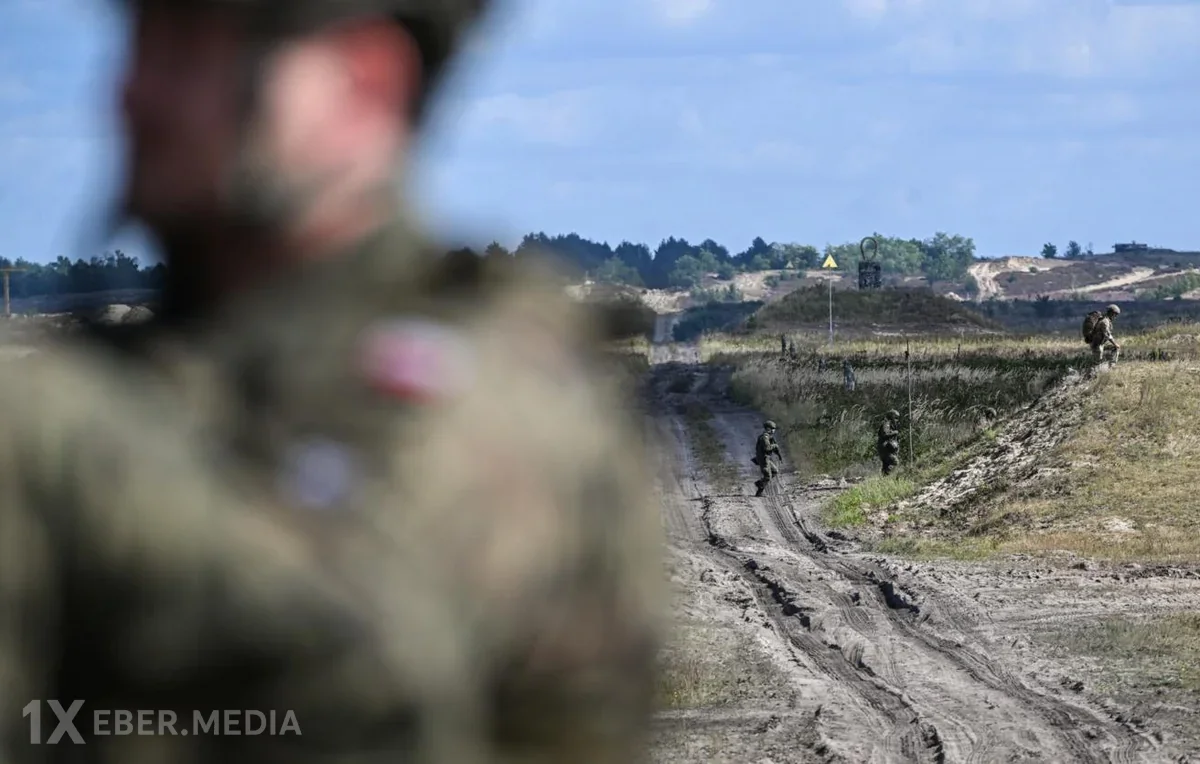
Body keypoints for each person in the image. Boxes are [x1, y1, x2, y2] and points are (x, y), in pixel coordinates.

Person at [37, 0, 666, 760]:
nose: (135, 92)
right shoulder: (544, 391)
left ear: (364, 80)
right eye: (143, 46)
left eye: (189, 50)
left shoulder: (508, 399)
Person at [753, 420, 782, 497]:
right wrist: (775, 446)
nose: (773, 430)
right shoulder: (765, 437)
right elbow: (767, 448)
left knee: (775, 471)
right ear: (768, 428)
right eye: (772, 428)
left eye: (774, 429)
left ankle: (760, 483)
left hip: (766, 458)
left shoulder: (769, 437)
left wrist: (777, 453)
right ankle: (759, 491)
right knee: (767, 476)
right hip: (764, 459)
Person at [877, 409, 901, 476]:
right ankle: (887, 476)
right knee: (894, 462)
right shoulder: (886, 424)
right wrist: (894, 433)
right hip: (885, 449)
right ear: (891, 417)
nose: (896, 420)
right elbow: (885, 434)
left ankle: (884, 479)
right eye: (895, 418)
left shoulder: (890, 424)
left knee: (886, 466)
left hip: (886, 449)